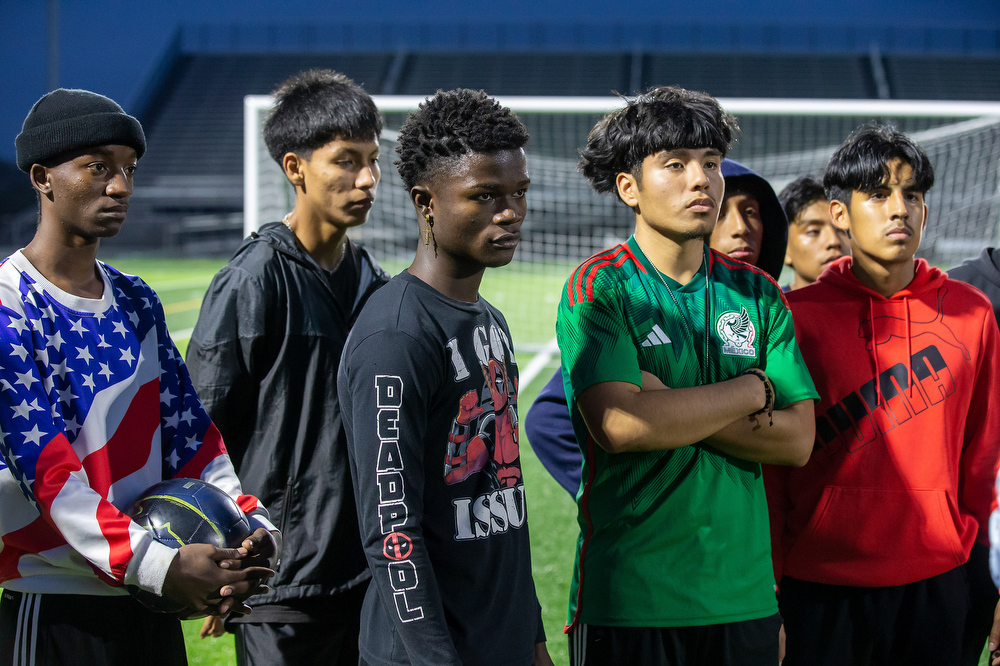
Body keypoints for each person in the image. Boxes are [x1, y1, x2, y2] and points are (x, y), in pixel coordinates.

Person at [0, 88, 278, 666]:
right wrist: (160, 563)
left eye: (128, 169)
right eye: (97, 167)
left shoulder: (134, 298)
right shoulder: (8, 306)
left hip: (150, 601)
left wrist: (249, 530)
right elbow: (45, 472)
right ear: (41, 177)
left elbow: (191, 437)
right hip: (56, 604)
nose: (121, 186)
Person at [558, 85, 818, 665]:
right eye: (674, 165)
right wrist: (753, 391)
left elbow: (798, 439)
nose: (700, 180)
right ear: (629, 186)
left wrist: (668, 404)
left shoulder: (759, 293)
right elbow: (622, 425)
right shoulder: (598, 288)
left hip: (743, 598)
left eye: (710, 163)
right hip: (629, 599)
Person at [766, 124, 1000, 666]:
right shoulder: (795, 318)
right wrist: (769, 585)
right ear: (840, 213)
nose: (900, 209)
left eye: (912, 195)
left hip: (938, 582)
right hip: (817, 584)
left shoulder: (972, 314)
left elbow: (984, 465)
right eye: (878, 194)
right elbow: (771, 474)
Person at [338, 89, 553, 666]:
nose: (509, 212)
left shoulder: (490, 320)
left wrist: (531, 636)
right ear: (425, 202)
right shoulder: (397, 337)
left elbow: (506, 498)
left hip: (500, 644)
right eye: (484, 196)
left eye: (518, 193)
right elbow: (392, 535)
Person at [185, 70, 385, 664]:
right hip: (280, 578)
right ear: (295, 168)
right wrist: (212, 558)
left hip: (368, 571)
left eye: (373, 160)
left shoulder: (372, 281)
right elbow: (200, 429)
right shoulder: (252, 280)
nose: (368, 179)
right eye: (346, 161)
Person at [526, 157, 789, 497]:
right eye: (722, 213)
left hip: (751, 535)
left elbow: (797, 441)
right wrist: (617, 490)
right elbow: (552, 419)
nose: (741, 228)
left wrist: (669, 403)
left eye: (752, 212)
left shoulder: (772, 307)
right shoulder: (641, 306)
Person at [778, 175, 850, 292]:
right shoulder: (770, 309)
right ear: (784, 249)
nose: (833, 241)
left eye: (841, 229)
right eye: (814, 231)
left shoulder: (878, 304)